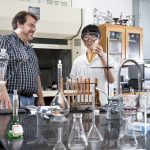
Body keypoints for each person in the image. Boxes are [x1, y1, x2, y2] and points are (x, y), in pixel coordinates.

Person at [0, 11, 45, 109]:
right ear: (19, 24)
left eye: (35, 26)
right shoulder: (5, 40)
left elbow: (36, 74)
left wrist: (40, 97)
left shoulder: (30, 49)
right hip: (11, 98)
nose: (34, 29)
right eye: (31, 25)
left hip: (31, 101)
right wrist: (2, 90)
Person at [70, 24, 116, 106]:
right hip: (82, 104)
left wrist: (102, 57)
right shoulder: (78, 61)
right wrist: (77, 83)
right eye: (86, 37)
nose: (89, 39)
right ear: (83, 40)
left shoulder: (109, 58)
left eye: (93, 36)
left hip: (103, 103)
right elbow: (72, 83)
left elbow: (112, 80)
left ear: (99, 38)